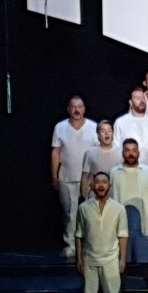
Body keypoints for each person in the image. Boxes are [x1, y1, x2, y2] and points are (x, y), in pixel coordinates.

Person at [110, 139, 148, 293]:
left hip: (145, 225)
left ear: (139, 152)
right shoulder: (114, 172)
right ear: (123, 153)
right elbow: (110, 201)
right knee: (121, 263)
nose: (131, 153)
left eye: (134, 150)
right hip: (122, 227)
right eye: (127, 150)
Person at [75, 172, 127, 293]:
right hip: (90, 258)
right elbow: (79, 234)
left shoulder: (119, 208)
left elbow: (123, 235)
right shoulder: (83, 208)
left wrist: (122, 258)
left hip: (111, 258)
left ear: (109, 186)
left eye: (104, 182)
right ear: (92, 186)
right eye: (97, 182)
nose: (101, 185)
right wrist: (79, 258)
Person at [52, 95, 98, 258]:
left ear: (84, 108)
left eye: (80, 106)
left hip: (89, 178)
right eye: (73, 106)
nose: (77, 109)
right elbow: (56, 152)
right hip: (67, 176)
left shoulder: (93, 127)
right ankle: (70, 245)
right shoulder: (60, 127)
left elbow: (97, 153)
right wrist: (54, 176)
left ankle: (89, 245)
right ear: (69, 109)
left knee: (90, 213)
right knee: (69, 213)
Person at [114, 87, 148, 189]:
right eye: (137, 98)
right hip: (126, 174)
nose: (142, 101)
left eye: (143, 98)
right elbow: (116, 150)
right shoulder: (120, 122)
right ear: (130, 102)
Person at [81, 120, 122, 199]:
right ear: (98, 135)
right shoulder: (90, 152)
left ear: (113, 134)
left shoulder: (120, 153)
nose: (107, 133)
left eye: (109, 131)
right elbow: (85, 176)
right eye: (103, 131)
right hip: (94, 196)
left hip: (114, 197)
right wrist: (83, 196)